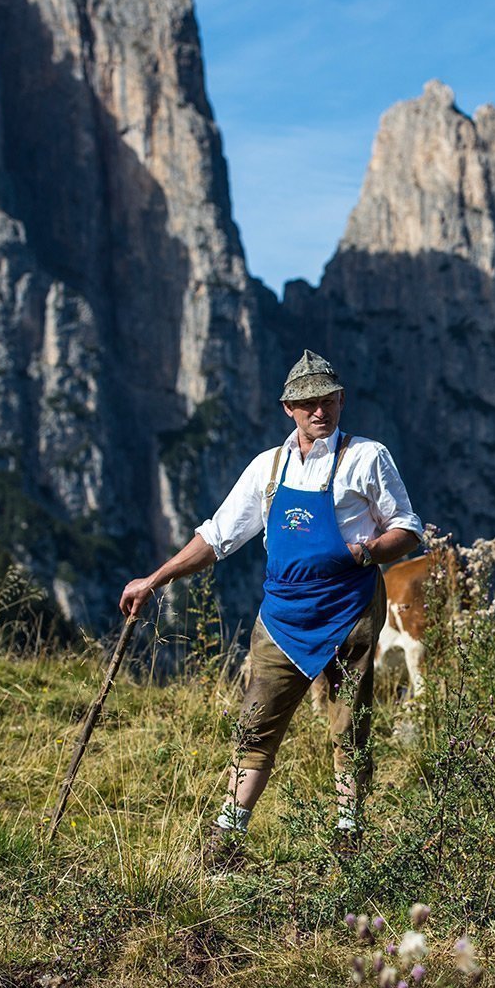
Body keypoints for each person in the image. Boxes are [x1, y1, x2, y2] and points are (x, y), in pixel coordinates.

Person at [119, 351, 422, 863]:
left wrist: (366, 550)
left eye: (327, 400)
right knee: (255, 725)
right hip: (282, 619)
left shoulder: (367, 457)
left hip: (349, 615)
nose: (318, 412)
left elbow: (408, 528)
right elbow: (217, 537)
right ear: (289, 408)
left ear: (341, 400)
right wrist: (156, 578)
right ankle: (227, 839)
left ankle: (349, 838)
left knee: (350, 726)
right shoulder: (269, 468)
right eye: (307, 404)